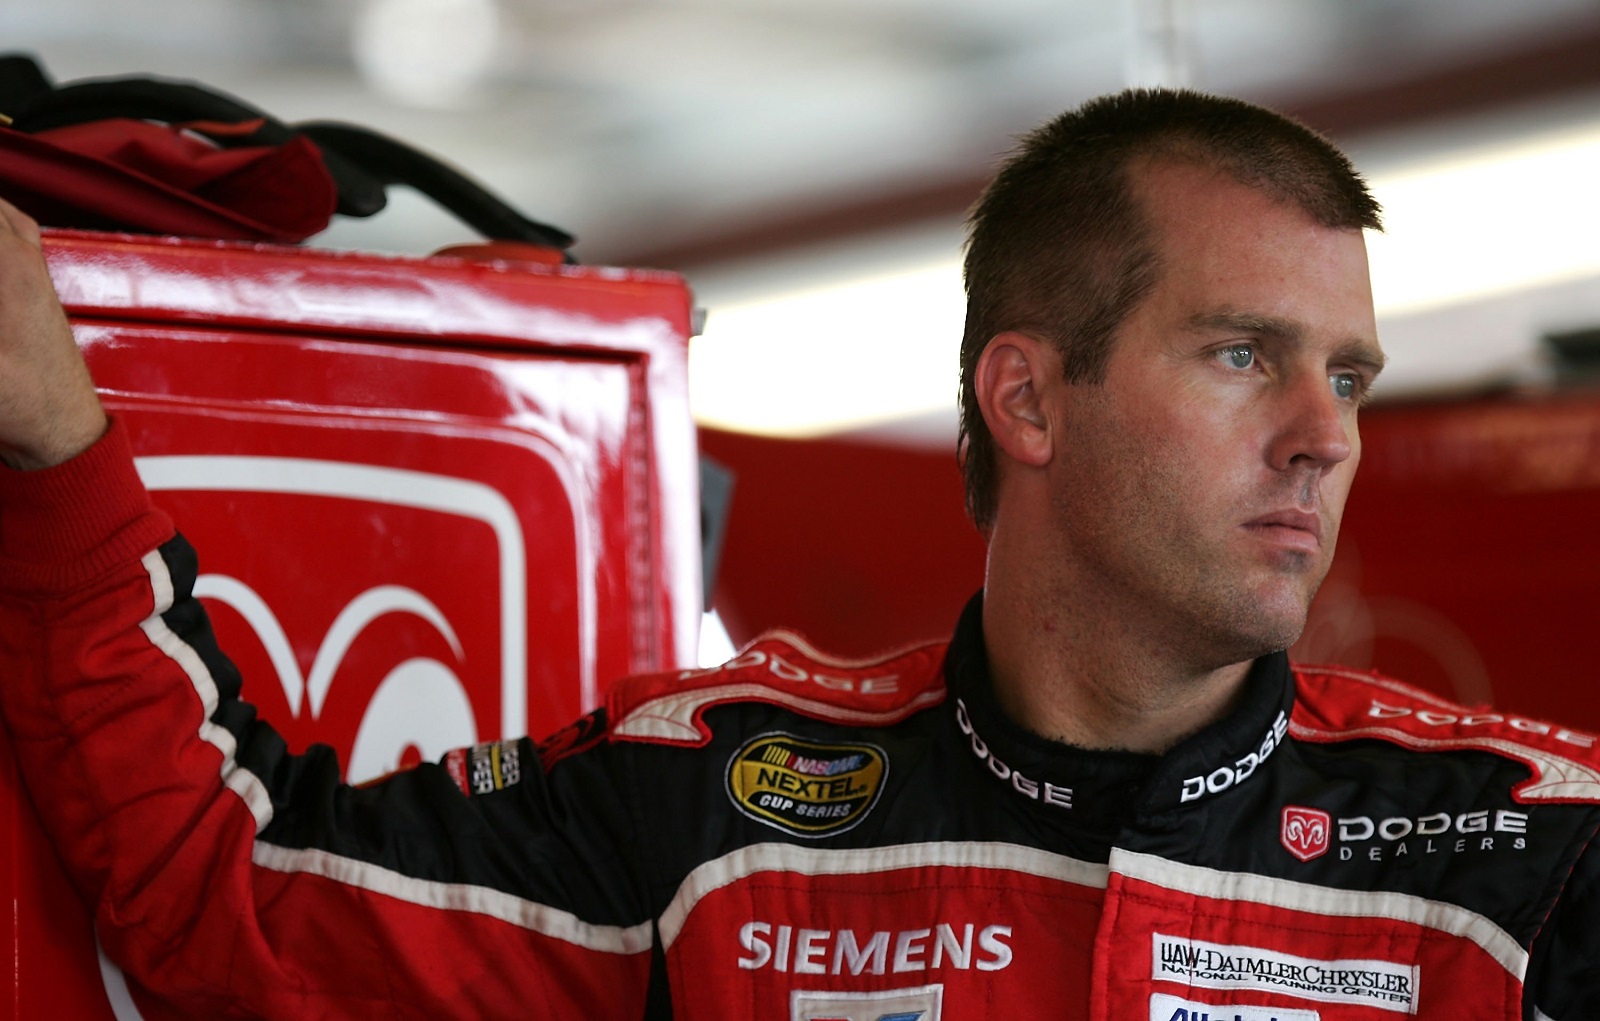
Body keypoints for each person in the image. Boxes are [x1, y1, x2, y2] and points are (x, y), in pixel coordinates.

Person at [0, 88, 1595, 1021]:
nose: (1326, 434)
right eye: (1247, 356)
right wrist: (61, 449)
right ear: (1028, 396)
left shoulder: (1526, 858)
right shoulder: (711, 802)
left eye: (1351, 375)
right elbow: (236, 900)